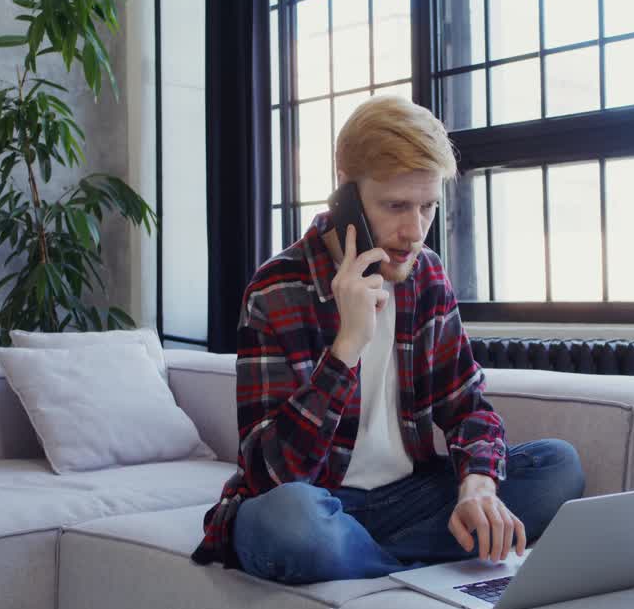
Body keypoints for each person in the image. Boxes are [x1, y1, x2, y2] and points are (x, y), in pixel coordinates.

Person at [190, 95, 585, 583]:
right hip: (314, 502)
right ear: (346, 195)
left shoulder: (427, 276)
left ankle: (366, 560)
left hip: (407, 496)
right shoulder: (275, 289)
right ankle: (417, 566)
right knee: (287, 525)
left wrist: (477, 489)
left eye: (428, 206)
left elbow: (467, 408)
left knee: (556, 467)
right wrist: (346, 347)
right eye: (396, 206)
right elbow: (269, 475)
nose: (414, 230)